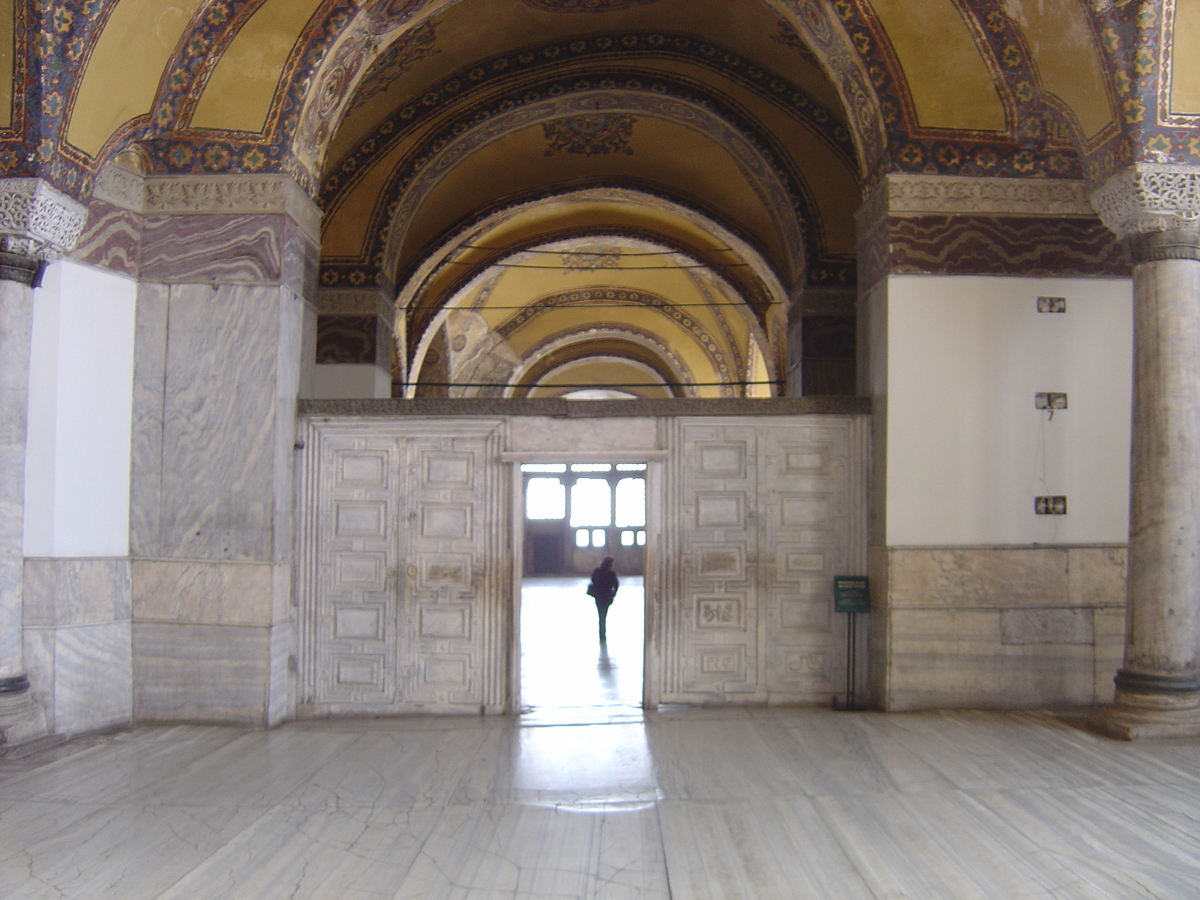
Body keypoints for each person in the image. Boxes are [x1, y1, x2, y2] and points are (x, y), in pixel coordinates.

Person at [587, 556, 619, 643]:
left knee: (600, 615)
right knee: (604, 614)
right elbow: (615, 585)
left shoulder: (597, 571)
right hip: (607, 596)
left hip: (598, 596)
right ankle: (603, 634)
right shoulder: (611, 573)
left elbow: (593, 580)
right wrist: (613, 594)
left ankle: (601, 634)